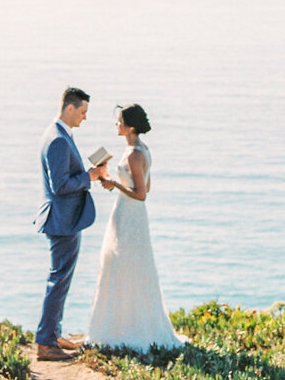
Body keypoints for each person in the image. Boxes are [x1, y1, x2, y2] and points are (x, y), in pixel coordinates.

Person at [86, 103, 183, 352]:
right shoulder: (139, 149)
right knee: (126, 266)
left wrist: (114, 185)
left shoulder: (133, 154)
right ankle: (122, 324)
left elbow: (141, 194)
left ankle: (124, 328)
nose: (116, 124)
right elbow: (145, 188)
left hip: (130, 214)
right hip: (130, 214)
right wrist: (116, 183)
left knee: (123, 266)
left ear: (129, 127)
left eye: (119, 121)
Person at [34, 87, 108, 361]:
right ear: (69, 108)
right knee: (58, 279)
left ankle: (53, 334)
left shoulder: (60, 135)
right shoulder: (58, 140)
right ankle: (45, 343)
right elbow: (60, 185)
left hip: (65, 218)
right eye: (83, 112)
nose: (85, 118)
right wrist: (89, 176)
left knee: (61, 278)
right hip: (62, 220)